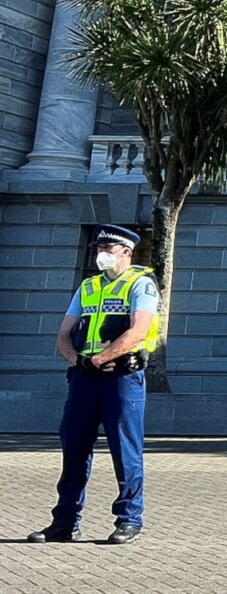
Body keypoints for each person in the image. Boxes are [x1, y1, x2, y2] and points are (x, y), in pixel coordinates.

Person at [28, 225, 160, 545]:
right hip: (84, 378)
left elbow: (138, 332)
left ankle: (129, 519)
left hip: (121, 379)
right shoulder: (88, 286)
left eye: (108, 248)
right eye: (99, 247)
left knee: (125, 450)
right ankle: (65, 522)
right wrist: (78, 361)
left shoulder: (140, 285)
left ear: (127, 252)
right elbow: (63, 334)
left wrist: (99, 360)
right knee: (74, 448)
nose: (101, 253)